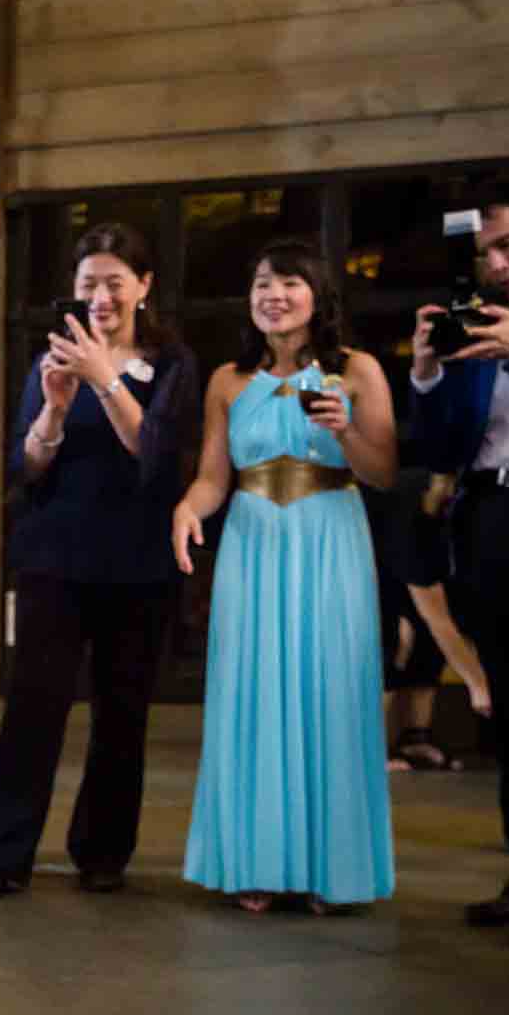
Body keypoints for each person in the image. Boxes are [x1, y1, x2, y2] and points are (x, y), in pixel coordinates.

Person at [0, 224, 199, 901]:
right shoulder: (55, 355)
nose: (100, 295)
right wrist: (55, 414)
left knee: (122, 715)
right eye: (88, 282)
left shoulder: (175, 365)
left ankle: (102, 851)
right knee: (32, 709)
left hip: (139, 563)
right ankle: (0, 855)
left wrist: (105, 380)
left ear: (144, 287)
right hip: (56, 559)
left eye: (114, 281)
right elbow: (25, 464)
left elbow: (156, 459)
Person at [173, 239, 397, 914]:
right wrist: (188, 507)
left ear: (317, 295)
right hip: (251, 541)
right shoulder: (227, 380)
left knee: (331, 689)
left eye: (289, 283)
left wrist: (346, 429)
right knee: (254, 692)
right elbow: (216, 476)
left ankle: (333, 869)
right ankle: (255, 860)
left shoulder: (356, 371)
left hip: (332, 534)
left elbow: (383, 471)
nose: (273, 295)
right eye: (262, 284)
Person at [407, 191, 509, 923]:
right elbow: (443, 449)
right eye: (488, 253)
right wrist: (426, 375)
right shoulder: (479, 330)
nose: (498, 264)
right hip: (493, 516)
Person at [366, 466, 488, 771]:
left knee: (423, 640)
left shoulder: (444, 514)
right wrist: (478, 685)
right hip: (370, 565)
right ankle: (369, 749)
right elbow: (436, 617)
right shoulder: (410, 512)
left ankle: (416, 737)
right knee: (394, 640)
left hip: (404, 563)